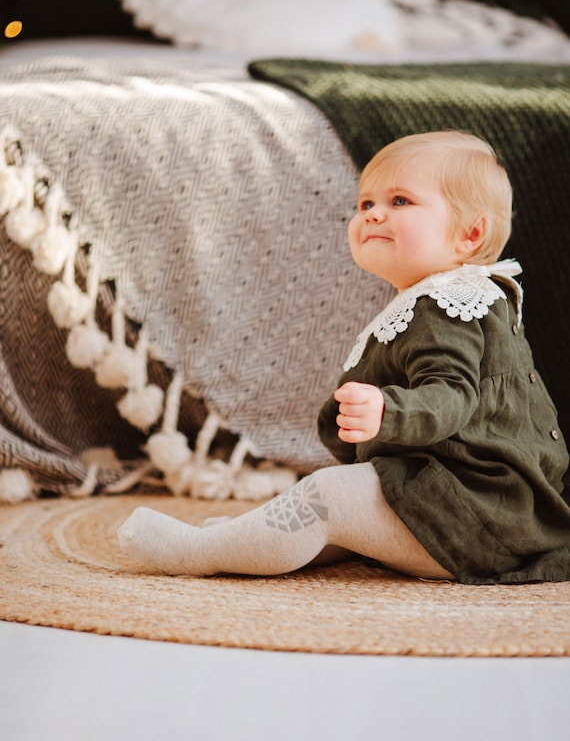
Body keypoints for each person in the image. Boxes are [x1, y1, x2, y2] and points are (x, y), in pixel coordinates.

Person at [118, 130, 570, 584]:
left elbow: (452, 396)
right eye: (365, 204)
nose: (373, 215)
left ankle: (203, 551)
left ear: (469, 234)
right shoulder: (433, 300)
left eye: (399, 201)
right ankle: (243, 540)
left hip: (481, 512)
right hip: (462, 501)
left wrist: (387, 411)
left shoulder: (450, 304)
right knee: (338, 512)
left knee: (330, 497)